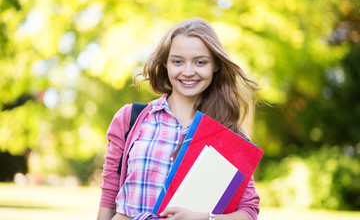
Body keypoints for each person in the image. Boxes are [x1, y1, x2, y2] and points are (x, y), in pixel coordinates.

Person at [97, 17, 260, 220]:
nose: (188, 72)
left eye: (200, 62)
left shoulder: (229, 131)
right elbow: (109, 193)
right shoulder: (131, 118)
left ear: (215, 66)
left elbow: (248, 212)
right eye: (177, 61)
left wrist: (204, 218)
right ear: (165, 64)